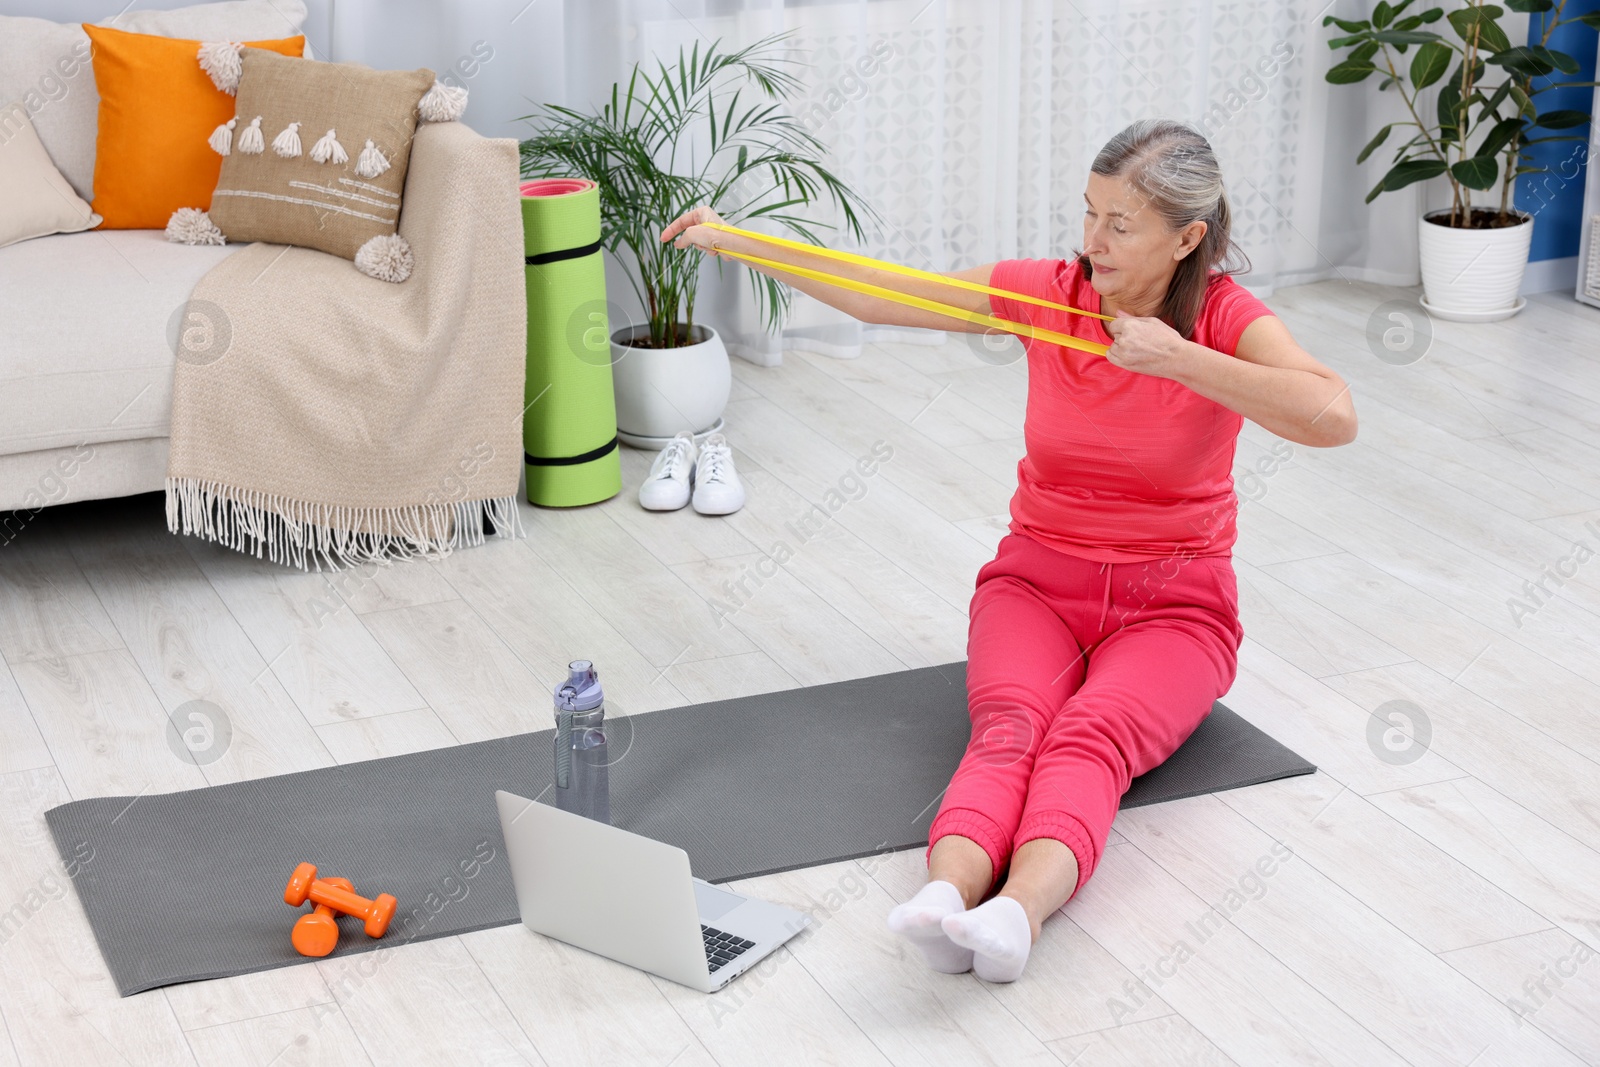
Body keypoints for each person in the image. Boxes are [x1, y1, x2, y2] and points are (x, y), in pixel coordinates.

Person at [660, 118, 1357, 983]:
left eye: (1120, 225)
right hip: (1037, 584)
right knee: (1010, 729)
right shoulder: (1051, 293)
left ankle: (1017, 915)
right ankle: (943, 900)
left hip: (1178, 604)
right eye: (1090, 213)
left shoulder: (1221, 318)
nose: (1091, 241)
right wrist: (739, 242)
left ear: (1188, 239)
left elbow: (1333, 415)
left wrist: (1182, 362)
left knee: (1088, 737)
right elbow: (889, 294)